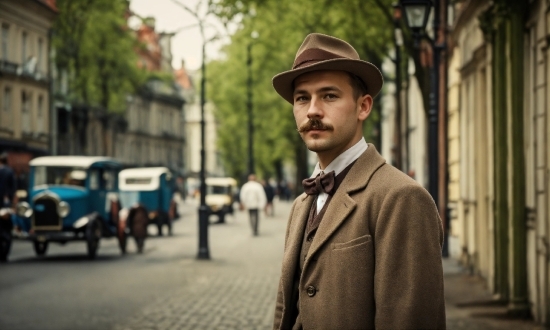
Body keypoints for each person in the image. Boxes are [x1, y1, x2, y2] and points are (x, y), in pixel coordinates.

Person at [271, 33, 445, 329]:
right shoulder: (301, 204)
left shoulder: (400, 198)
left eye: (329, 95)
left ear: (363, 107)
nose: (312, 109)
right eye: (302, 98)